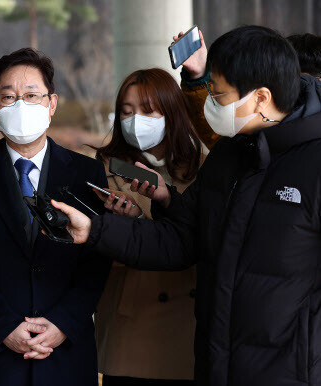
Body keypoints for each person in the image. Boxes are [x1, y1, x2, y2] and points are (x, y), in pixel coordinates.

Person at [53, 25, 321, 385]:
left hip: (294, 372)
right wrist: (95, 228)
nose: (210, 101)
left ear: (260, 97)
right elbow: (178, 240)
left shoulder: (313, 163)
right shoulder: (228, 156)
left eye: (219, 94)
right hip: (217, 364)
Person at [0, 48, 111, 386]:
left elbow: (97, 258)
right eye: (9, 97)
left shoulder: (86, 173)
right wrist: (4, 326)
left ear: (52, 103)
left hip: (66, 350)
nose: (21, 105)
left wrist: (63, 323)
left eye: (32, 95)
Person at [92, 68, 204, 385]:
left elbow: (206, 239)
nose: (135, 120)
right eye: (126, 112)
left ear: (171, 110)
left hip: (190, 322)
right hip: (132, 324)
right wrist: (122, 228)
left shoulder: (206, 166)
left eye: (148, 110)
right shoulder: (105, 168)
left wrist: (157, 210)